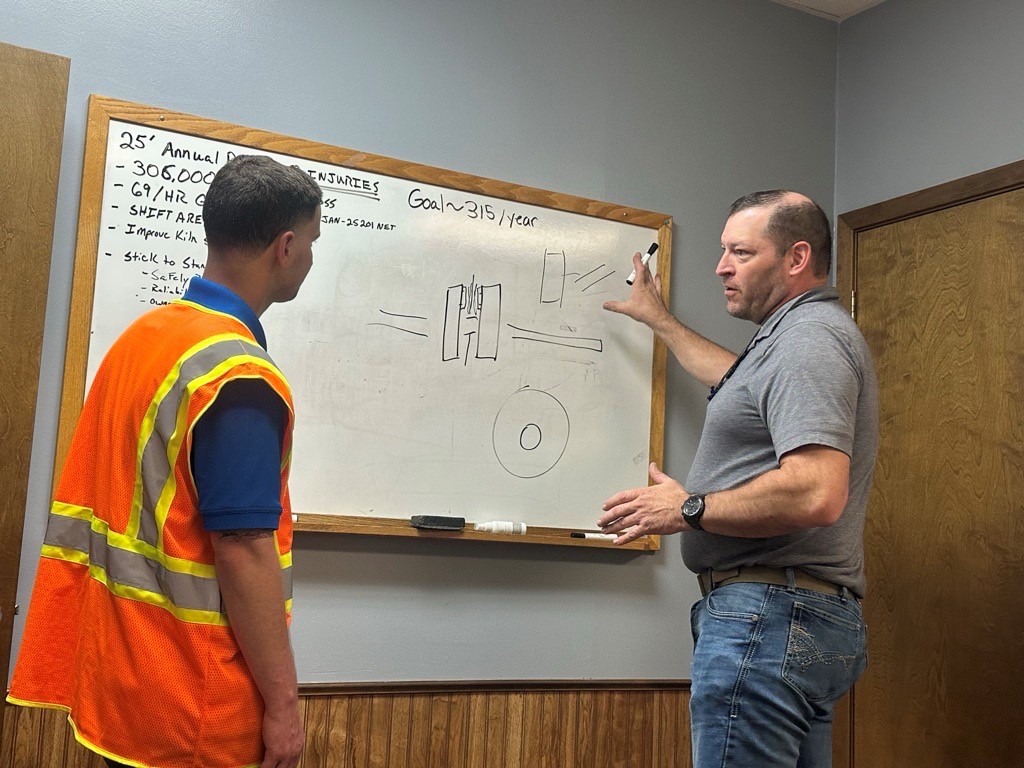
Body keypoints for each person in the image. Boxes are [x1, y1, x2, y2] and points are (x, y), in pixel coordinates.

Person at [7, 155, 323, 768]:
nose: (310, 258)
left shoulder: (143, 338)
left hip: (122, 683)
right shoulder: (237, 376)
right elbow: (244, 547)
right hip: (194, 701)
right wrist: (284, 706)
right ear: (285, 247)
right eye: (311, 242)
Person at [598, 190, 878, 768]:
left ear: (796, 258)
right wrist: (661, 322)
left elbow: (818, 490)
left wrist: (688, 509)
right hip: (792, 620)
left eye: (741, 252)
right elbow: (738, 383)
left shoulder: (808, 341)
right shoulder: (788, 342)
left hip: (768, 620)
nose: (721, 266)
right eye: (723, 250)